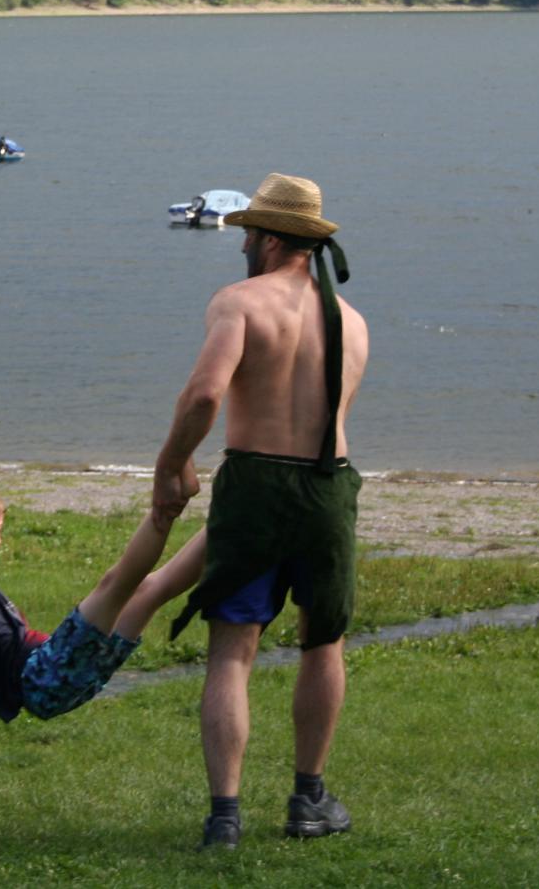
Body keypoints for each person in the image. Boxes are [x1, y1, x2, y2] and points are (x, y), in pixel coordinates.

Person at [151, 172, 370, 851]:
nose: (242, 244)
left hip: (257, 483)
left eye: (248, 233)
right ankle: (308, 797)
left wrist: (171, 464)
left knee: (232, 648)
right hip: (328, 485)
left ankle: (225, 815)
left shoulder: (239, 302)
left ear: (271, 239)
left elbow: (203, 396)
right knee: (322, 641)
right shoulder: (353, 321)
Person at [0, 369, 206, 725]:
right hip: (43, 674)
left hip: (50, 680)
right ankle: (167, 508)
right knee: (117, 583)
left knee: (150, 590)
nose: (0, 540)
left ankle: (227, 518)